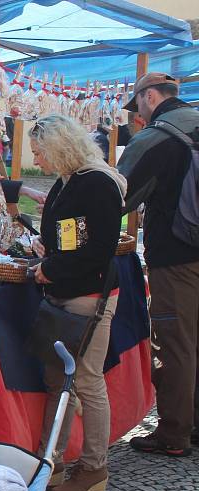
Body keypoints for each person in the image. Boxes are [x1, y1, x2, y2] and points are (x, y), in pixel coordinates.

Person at [28, 114, 125, 491]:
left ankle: (94, 468)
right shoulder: (71, 180)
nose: (39, 161)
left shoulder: (96, 183)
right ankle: (50, 461)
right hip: (67, 290)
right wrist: (46, 250)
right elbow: (72, 237)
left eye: (41, 153)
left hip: (89, 294)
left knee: (85, 379)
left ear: (59, 147)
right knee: (59, 380)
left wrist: (49, 269)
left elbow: (97, 250)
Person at [117, 72, 199, 456]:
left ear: (150, 97)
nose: (140, 116)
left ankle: (173, 433)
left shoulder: (158, 137)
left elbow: (118, 195)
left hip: (177, 256)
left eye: (140, 107)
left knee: (176, 343)